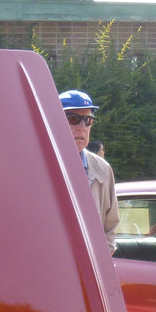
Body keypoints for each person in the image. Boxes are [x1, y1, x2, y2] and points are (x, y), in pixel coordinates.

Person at [59, 90, 117, 254]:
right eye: (73, 119)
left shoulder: (103, 169)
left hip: (88, 270)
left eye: (88, 120)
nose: (82, 127)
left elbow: (110, 226)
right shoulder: (38, 165)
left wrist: (99, 261)